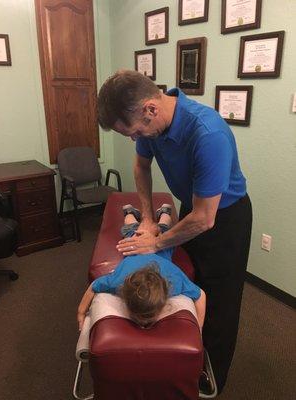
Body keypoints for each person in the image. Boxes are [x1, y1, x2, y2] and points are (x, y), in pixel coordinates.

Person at [97, 70, 252, 394]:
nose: (133, 138)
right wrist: (149, 219)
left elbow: (205, 218)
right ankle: (177, 361)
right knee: (185, 284)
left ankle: (210, 381)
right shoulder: (151, 129)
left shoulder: (208, 133)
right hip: (192, 210)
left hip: (225, 220)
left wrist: (155, 243)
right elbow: (141, 167)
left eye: (133, 131)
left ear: (150, 109)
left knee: (220, 306)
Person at [77, 204, 206, 331]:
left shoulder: (174, 281)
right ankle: (132, 213)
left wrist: (198, 327)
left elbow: (201, 295)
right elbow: (200, 295)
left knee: (162, 232)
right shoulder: (117, 283)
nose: (143, 325)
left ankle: (162, 213)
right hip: (138, 247)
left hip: (159, 249)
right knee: (133, 231)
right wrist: (81, 313)